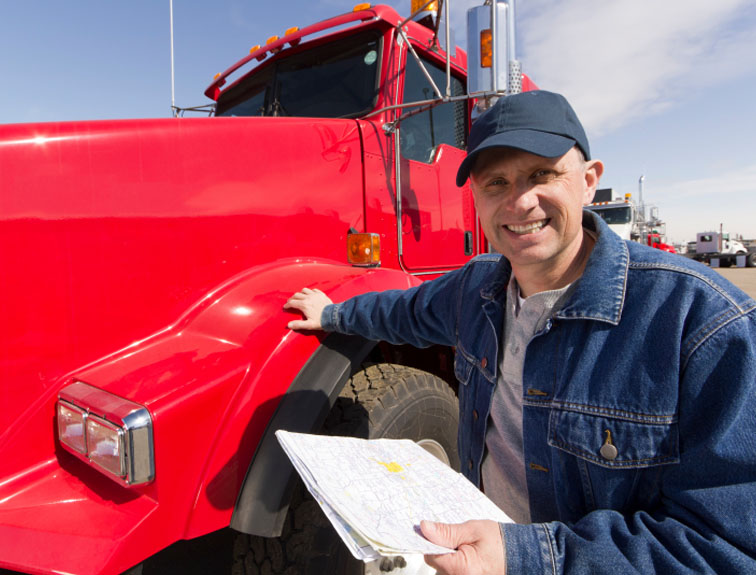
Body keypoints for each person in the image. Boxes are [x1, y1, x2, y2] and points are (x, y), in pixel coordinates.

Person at [284, 90, 756, 574]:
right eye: (496, 182)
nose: (520, 201)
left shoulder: (702, 324)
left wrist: (525, 558)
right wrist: (333, 314)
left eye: (542, 175)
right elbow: (401, 310)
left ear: (590, 181)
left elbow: (728, 548)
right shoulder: (477, 287)